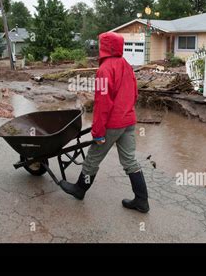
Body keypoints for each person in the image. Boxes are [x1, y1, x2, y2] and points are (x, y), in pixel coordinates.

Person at [59, 32, 149, 213]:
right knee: (130, 161)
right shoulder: (126, 65)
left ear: (105, 47)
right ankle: (141, 201)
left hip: (112, 125)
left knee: (92, 159)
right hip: (129, 121)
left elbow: (102, 104)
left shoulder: (105, 69)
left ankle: (79, 190)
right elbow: (135, 94)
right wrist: (126, 111)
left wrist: (98, 132)